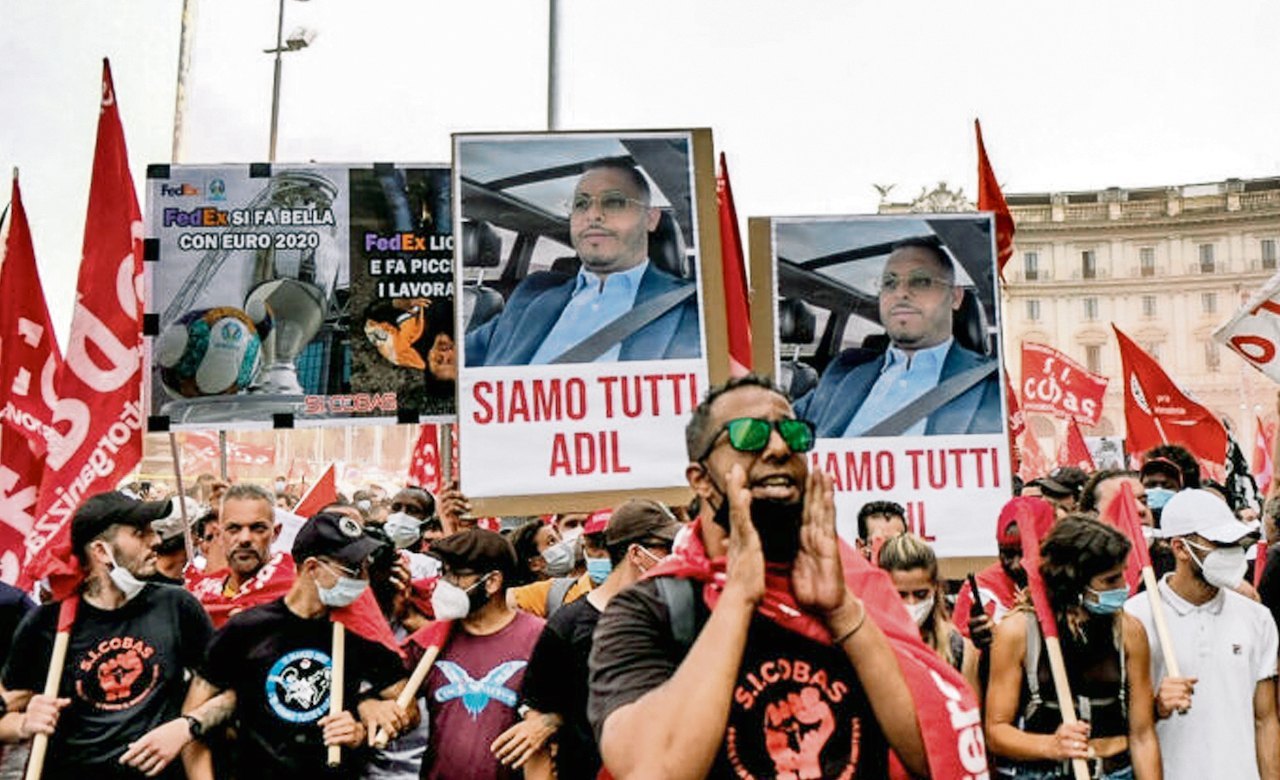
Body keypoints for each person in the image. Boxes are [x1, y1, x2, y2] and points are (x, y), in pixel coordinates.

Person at [588, 375, 932, 779]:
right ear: (700, 480)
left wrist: (843, 612)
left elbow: (935, 756)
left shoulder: (859, 589)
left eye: (792, 432)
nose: (778, 447)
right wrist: (738, 597)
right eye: (749, 435)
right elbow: (651, 770)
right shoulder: (650, 608)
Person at [0, 492, 215, 779]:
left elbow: (227, 692)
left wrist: (187, 725)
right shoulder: (47, 623)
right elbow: (5, 711)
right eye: (141, 533)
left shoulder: (178, 606)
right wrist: (24, 723)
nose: (156, 541)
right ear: (101, 551)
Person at [183, 512, 413, 780]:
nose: (363, 577)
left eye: (364, 567)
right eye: (352, 569)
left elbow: (409, 708)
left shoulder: (357, 629)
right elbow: (192, 717)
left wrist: (365, 719)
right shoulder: (245, 629)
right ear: (313, 568)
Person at [502, 500, 680, 780]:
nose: (675, 557)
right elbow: (534, 726)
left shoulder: (677, 619)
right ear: (636, 552)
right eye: (666, 549)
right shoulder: (567, 626)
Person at [465, 157, 701, 366]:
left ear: (650, 219)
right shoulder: (531, 292)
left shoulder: (694, 309)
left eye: (615, 202)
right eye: (581, 204)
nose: (592, 214)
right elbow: (448, 366)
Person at [985, 508, 1161, 780]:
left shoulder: (1129, 631)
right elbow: (996, 731)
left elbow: (1143, 735)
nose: (1123, 587)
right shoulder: (1018, 631)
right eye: (1110, 580)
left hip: (1116, 770)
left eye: (1122, 575)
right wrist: (1050, 746)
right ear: (1075, 582)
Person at [1124, 489, 1278, 780]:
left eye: (1234, 542)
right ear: (1180, 548)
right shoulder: (1135, 617)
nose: (1231, 551)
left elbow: (1265, 719)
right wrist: (1156, 706)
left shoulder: (1257, 617)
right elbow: (1125, 726)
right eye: (1219, 543)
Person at [793, 237, 1001, 437]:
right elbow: (782, 427)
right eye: (889, 283)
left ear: (955, 297)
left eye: (921, 281)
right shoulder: (843, 371)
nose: (900, 292)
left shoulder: (994, 384)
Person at [421, 528, 546, 779]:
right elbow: (390, 687)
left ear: (492, 582)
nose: (445, 584)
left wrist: (549, 722)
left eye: (456, 575)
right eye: (444, 573)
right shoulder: (433, 638)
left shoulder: (539, 638)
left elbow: (567, 709)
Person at [878, 533, 981, 693]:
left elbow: (972, 715)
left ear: (935, 588)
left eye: (920, 594)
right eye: (901, 595)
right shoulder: (866, 646)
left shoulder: (959, 650)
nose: (911, 604)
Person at [186, 483, 296, 628]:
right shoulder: (198, 596)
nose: (245, 539)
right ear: (219, 534)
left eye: (258, 528)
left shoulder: (295, 592)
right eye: (234, 529)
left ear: (275, 533)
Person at [953, 500, 1029, 648]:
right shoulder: (977, 590)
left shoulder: (1059, 586)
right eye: (1007, 554)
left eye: (1024, 553)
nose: (1015, 565)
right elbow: (959, 654)